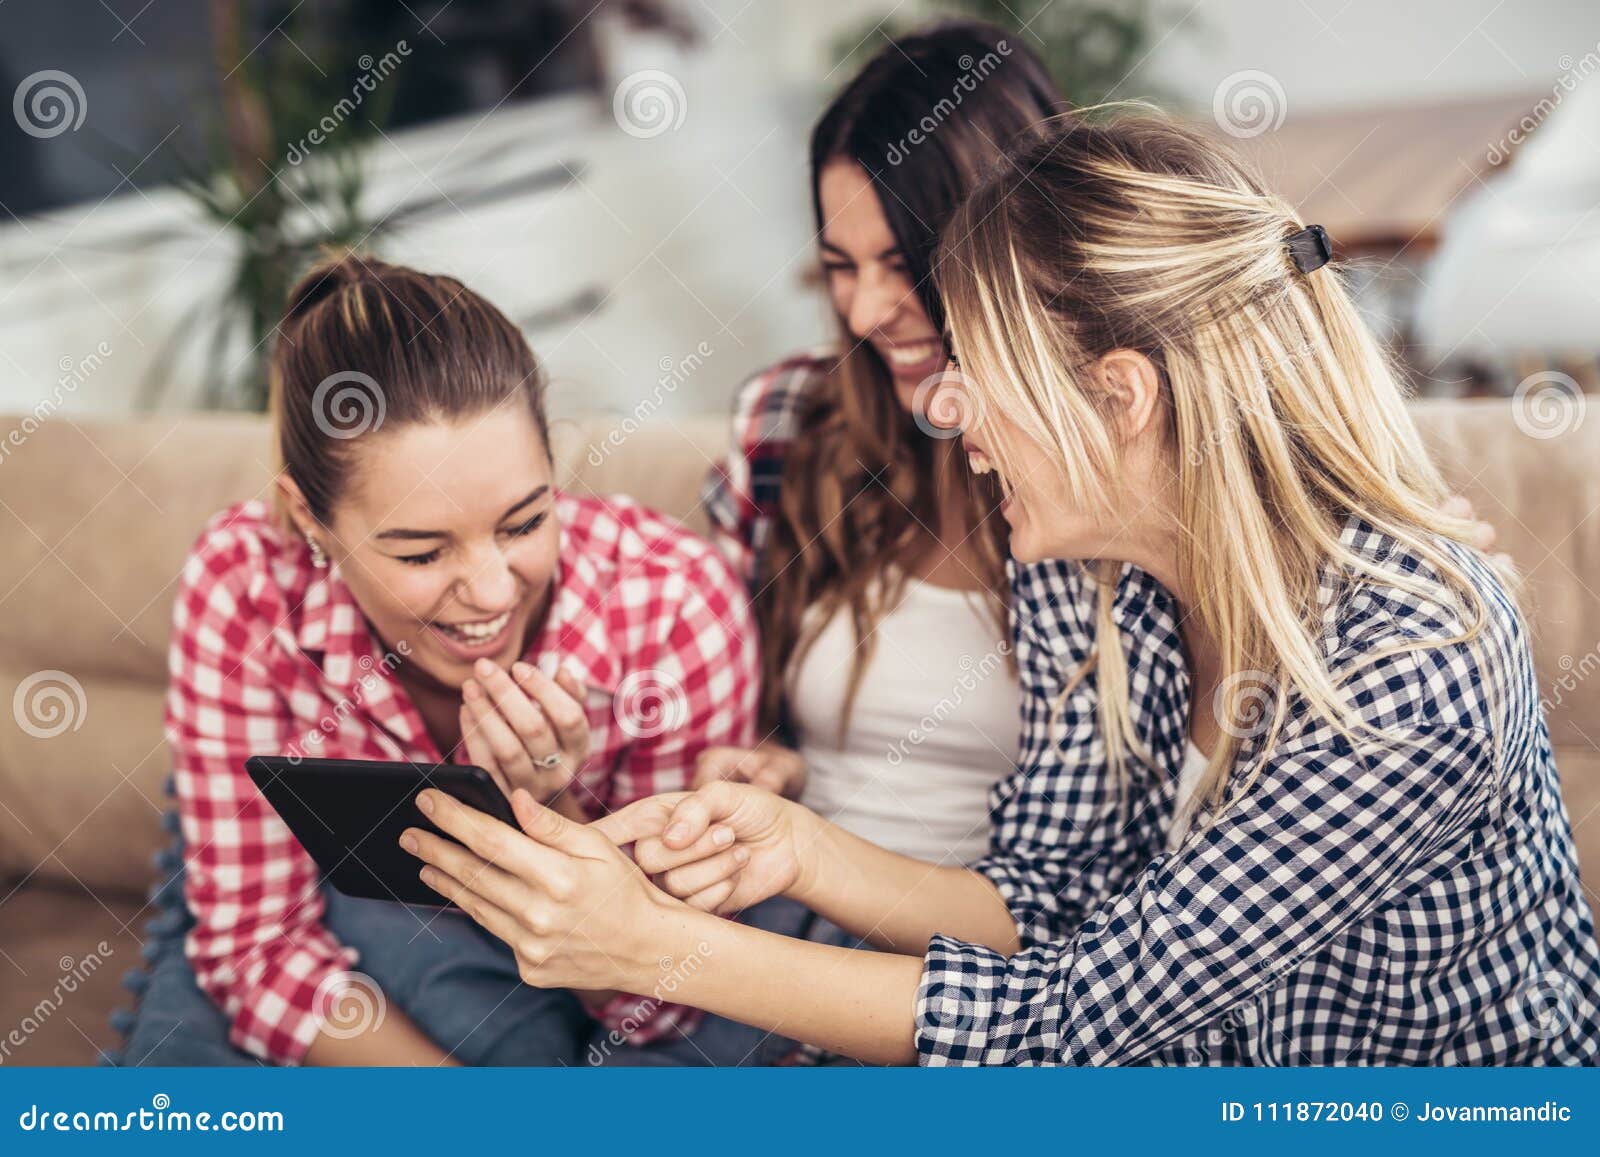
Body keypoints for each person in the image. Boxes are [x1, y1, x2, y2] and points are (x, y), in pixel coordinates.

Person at [404, 111, 1600, 1066]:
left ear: (1121, 397)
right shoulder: (1114, 578)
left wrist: (656, 946)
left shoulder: (1411, 665)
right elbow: (1052, 899)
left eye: (978, 367)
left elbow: (1073, 1020)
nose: (942, 408)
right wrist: (798, 848)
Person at [120, 256, 796, 1067]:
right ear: (310, 519)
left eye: (522, 523)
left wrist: (549, 812)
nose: (488, 591)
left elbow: (666, 1001)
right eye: (421, 550)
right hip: (372, 954)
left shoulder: (675, 607)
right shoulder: (248, 586)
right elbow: (254, 944)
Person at [691, 21, 1064, 866]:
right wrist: (765, 765)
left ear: (1016, 242)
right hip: (784, 910)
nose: (863, 313)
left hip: (978, 966)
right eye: (840, 266)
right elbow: (743, 708)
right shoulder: (786, 422)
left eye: (904, 264)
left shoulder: (1099, 475)